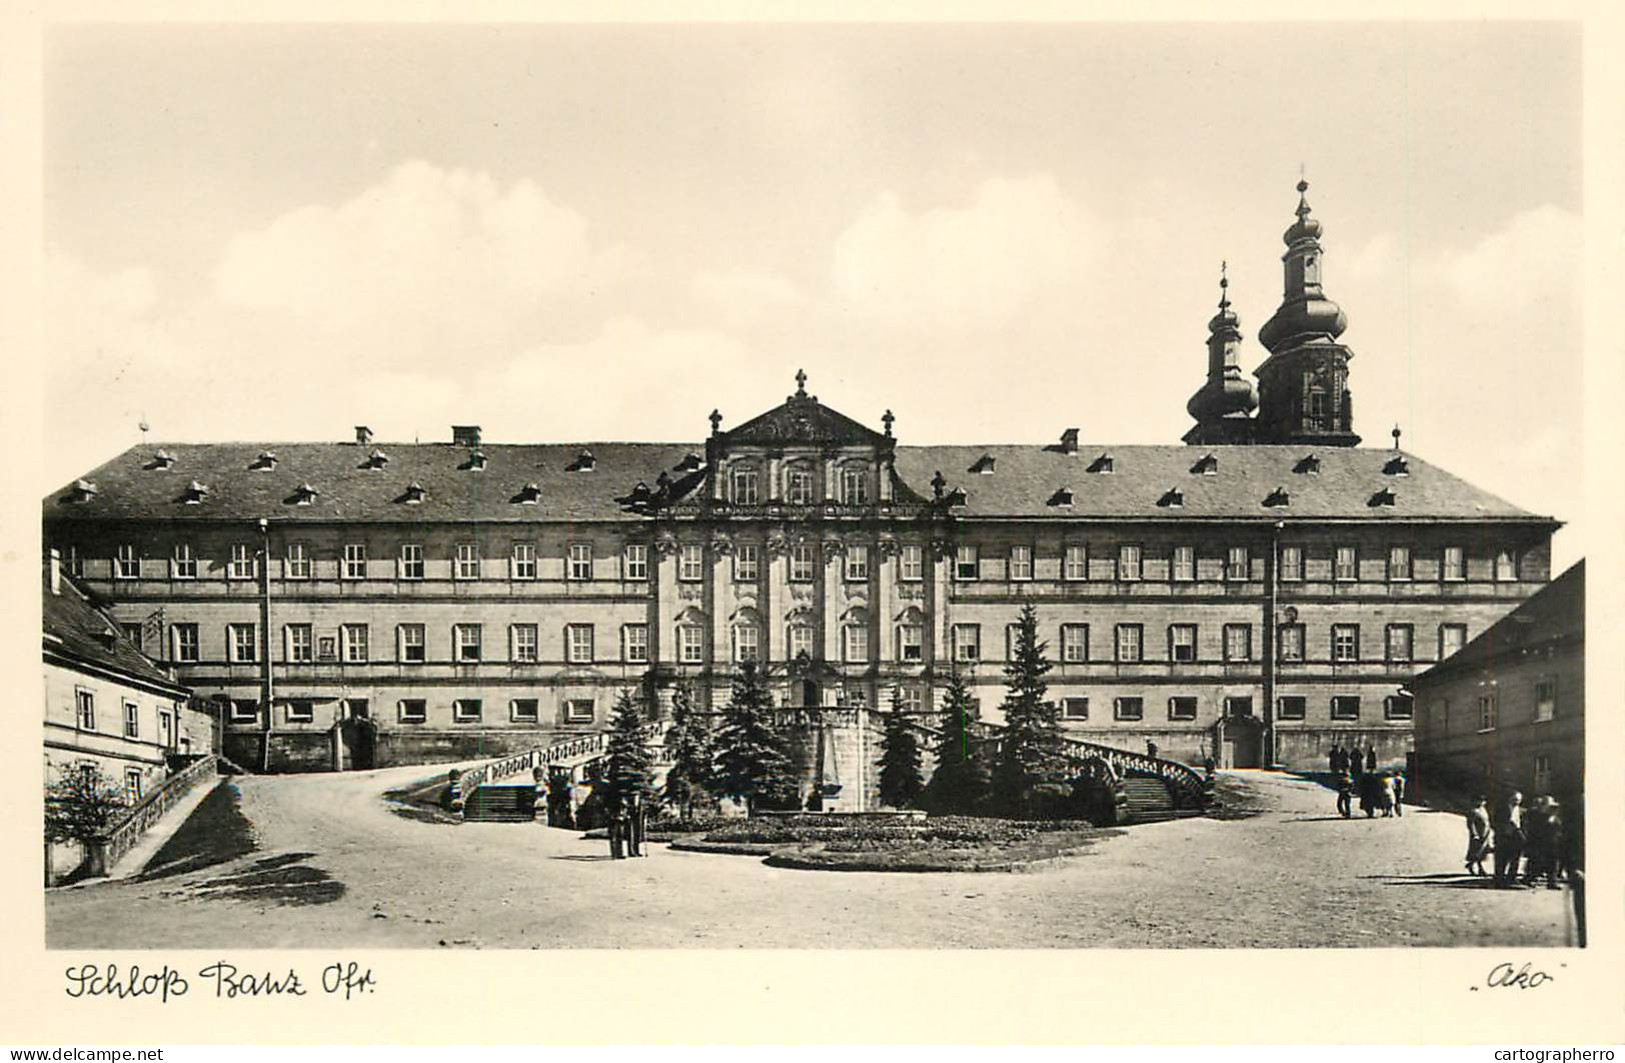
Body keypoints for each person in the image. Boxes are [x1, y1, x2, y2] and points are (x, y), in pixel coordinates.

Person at [1493, 791, 1526, 887]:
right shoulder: (1501, 808)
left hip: (1516, 837)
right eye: (1515, 799)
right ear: (1510, 798)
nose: (1517, 802)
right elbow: (1495, 821)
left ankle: (1511, 878)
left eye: (1519, 800)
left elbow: (1523, 824)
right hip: (1503, 837)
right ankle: (1499, 878)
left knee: (1515, 859)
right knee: (1501, 858)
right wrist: (1500, 830)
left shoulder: (1521, 811)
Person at [1465, 796, 1492, 876]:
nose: (1482, 803)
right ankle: (1476, 867)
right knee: (1476, 851)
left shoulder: (1483, 810)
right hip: (1478, 835)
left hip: (1485, 834)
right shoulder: (1473, 811)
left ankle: (1474, 866)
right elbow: (1471, 824)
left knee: (1483, 852)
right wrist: (1474, 834)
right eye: (1480, 801)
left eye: (1483, 801)